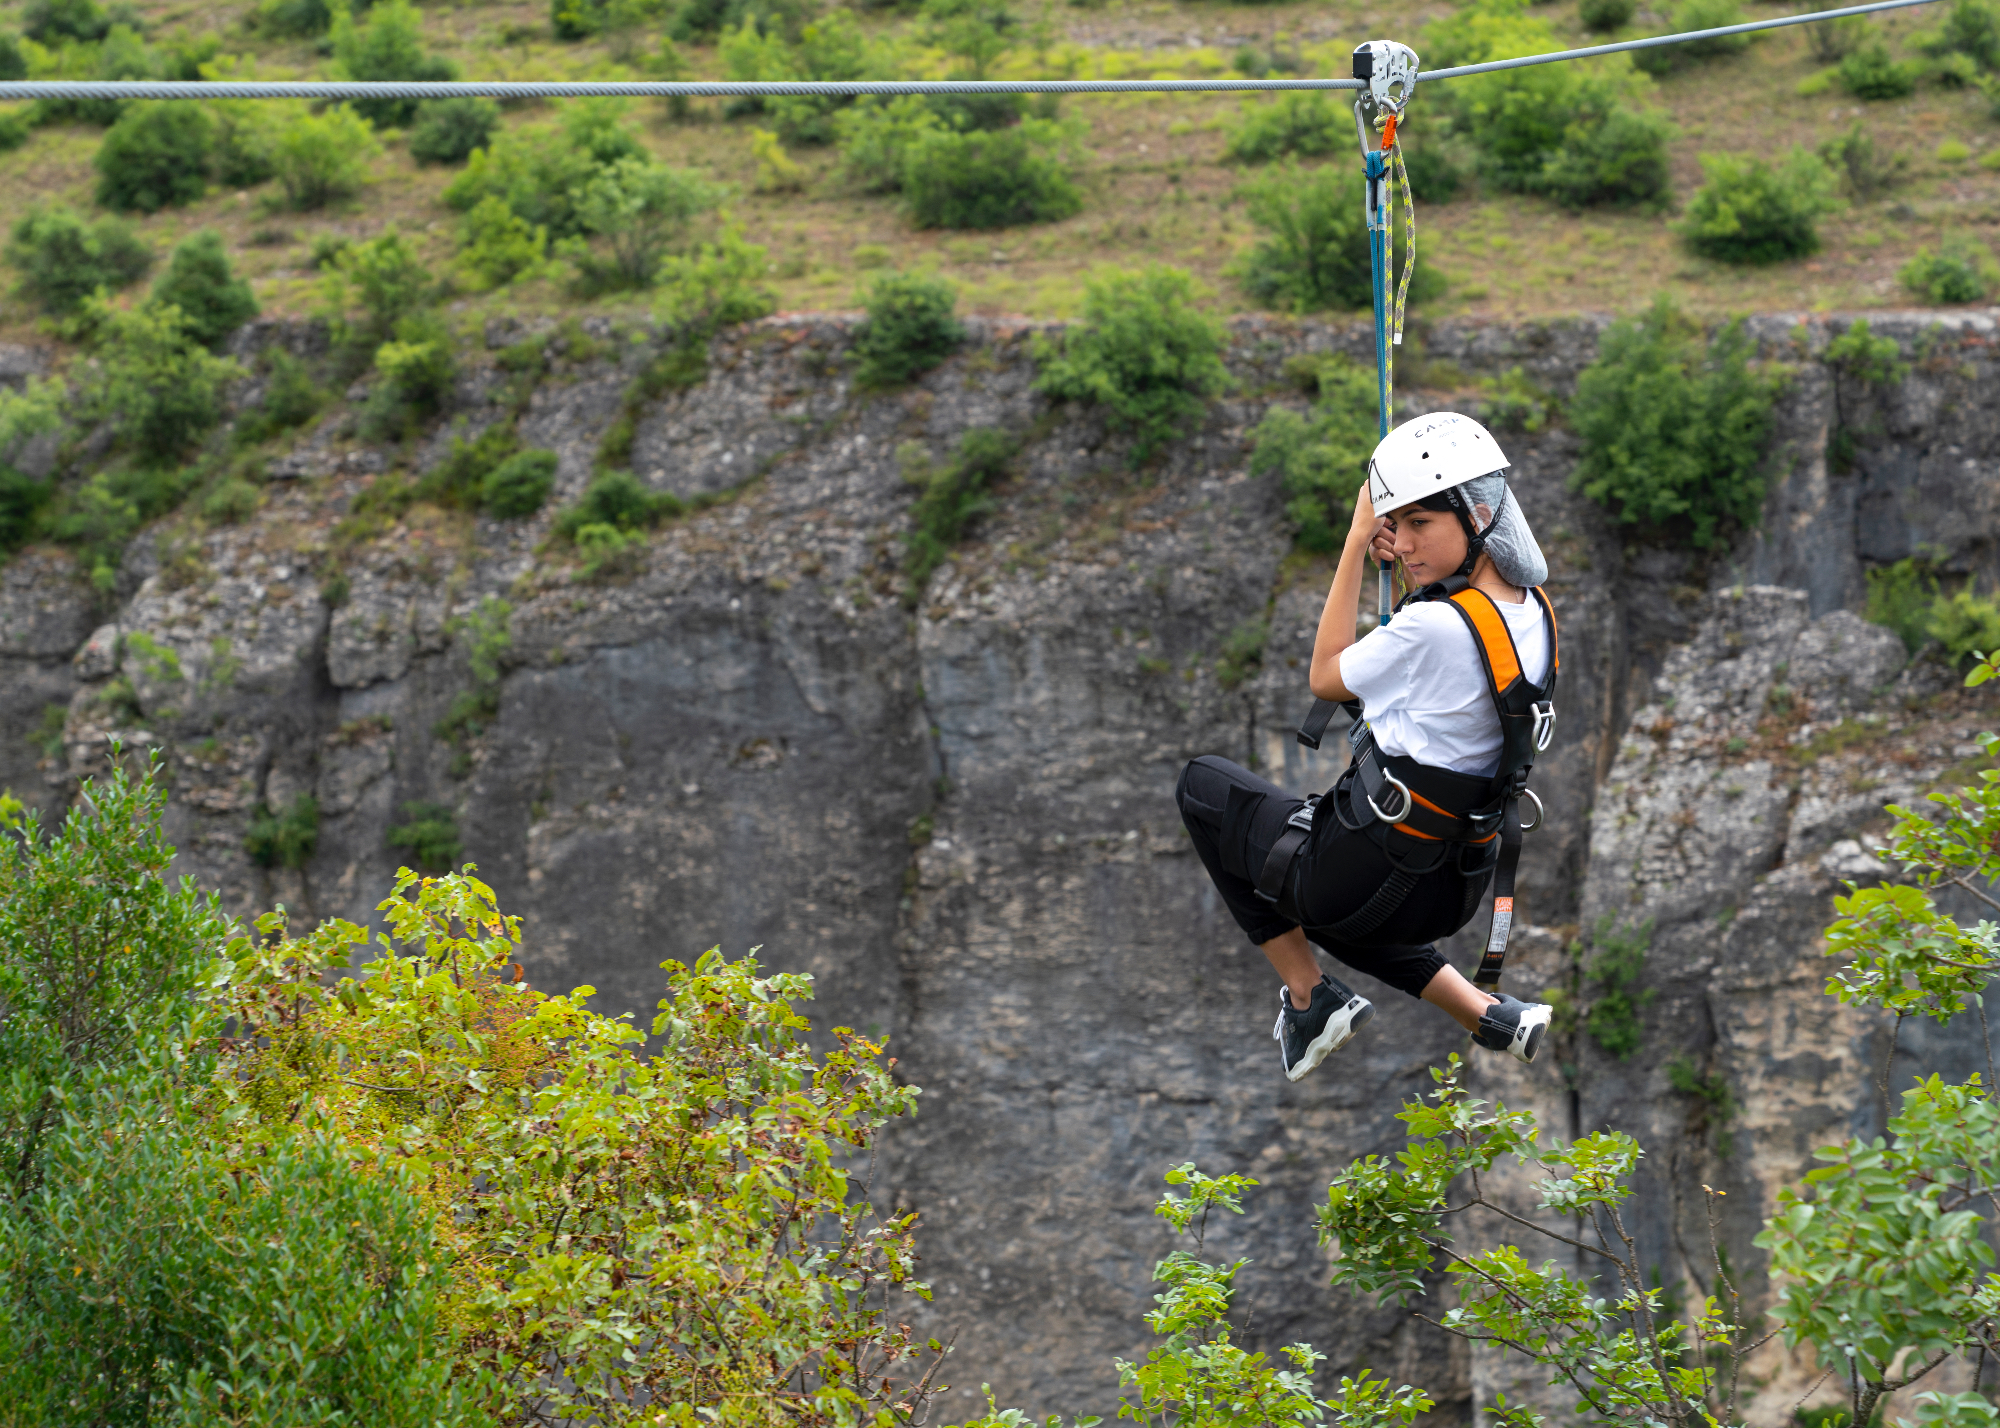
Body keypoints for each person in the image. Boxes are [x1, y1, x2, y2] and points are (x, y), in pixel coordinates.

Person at [1177, 411, 1558, 1081]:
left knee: (1206, 790)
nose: (1404, 542)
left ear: (1476, 515)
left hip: (1372, 872)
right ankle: (1484, 1012)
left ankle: (1308, 997)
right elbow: (1452, 666)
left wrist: (1356, 543)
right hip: (1451, 883)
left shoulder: (1434, 628)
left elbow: (1326, 674)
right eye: (1395, 524)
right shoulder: (1534, 613)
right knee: (1322, 899)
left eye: (1420, 524)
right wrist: (1413, 571)